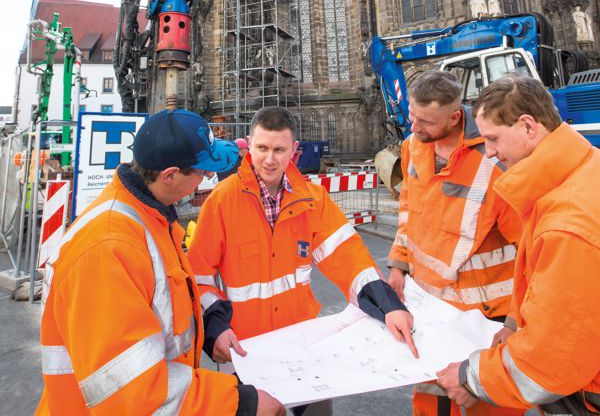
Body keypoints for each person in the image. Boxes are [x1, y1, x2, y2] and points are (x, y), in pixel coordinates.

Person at [36, 109, 285, 416]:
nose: (205, 181)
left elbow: (168, 301)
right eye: (202, 172)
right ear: (170, 175)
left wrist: (212, 328)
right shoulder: (109, 247)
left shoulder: (149, 218)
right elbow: (131, 389)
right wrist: (240, 403)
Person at [188, 106, 418, 416]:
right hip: (245, 354)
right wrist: (215, 329)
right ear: (249, 144)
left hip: (303, 350)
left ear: (294, 151)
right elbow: (198, 277)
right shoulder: (222, 201)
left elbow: (350, 260)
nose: (270, 159)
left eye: (279, 150)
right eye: (262, 148)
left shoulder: (313, 200)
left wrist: (388, 305)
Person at [437, 76, 600, 415]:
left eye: (493, 138)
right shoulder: (579, 170)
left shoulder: (568, 225)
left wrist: (469, 377)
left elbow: (548, 363)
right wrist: (514, 324)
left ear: (528, 126)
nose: (490, 152)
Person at [386, 70, 522, 416]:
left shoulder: (495, 162)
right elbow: (409, 209)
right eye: (412, 117)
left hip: (486, 317)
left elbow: (530, 250)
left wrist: (515, 323)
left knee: (490, 402)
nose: (415, 128)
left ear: (455, 116)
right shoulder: (413, 146)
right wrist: (398, 265)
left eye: (426, 122)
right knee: (431, 399)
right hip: (428, 308)